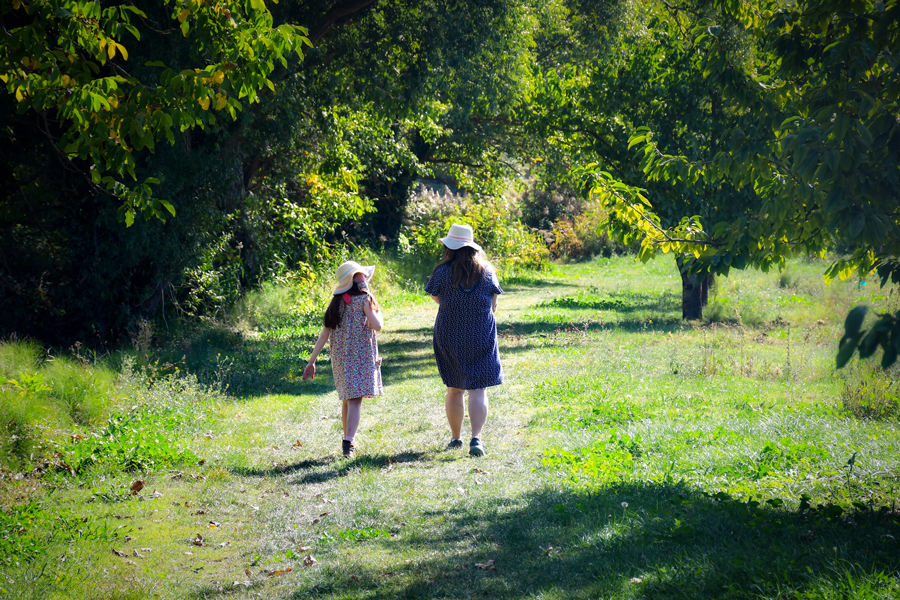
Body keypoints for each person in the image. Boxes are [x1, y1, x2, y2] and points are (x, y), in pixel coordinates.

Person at [425, 223, 503, 457]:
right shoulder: (488, 271)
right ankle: (476, 438)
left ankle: (456, 438)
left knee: (455, 388)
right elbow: (493, 304)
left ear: (450, 247)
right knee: (478, 388)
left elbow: (436, 297)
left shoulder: (441, 272)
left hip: (449, 333)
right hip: (481, 333)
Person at [303, 261, 384, 456]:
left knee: (348, 399)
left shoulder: (337, 302)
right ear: (355, 281)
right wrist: (368, 309)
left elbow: (324, 335)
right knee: (354, 399)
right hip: (361, 357)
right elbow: (377, 325)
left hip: (342, 359)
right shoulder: (365, 300)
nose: (365, 279)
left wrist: (311, 361)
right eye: (361, 276)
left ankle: (347, 439)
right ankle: (349, 442)